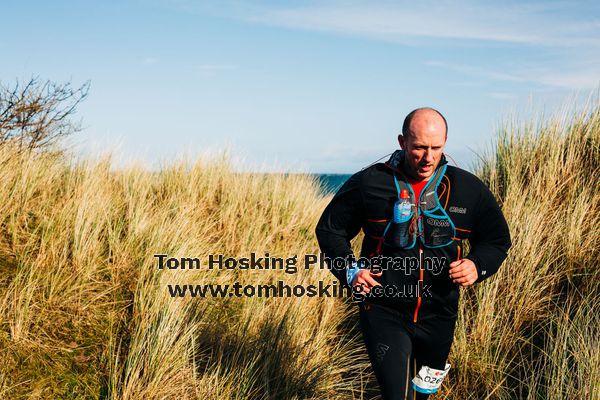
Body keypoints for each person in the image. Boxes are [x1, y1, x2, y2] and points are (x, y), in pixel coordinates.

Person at [315, 108, 511, 399]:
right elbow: (330, 231)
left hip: (440, 314)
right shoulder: (369, 183)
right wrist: (351, 271)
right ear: (402, 142)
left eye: (436, 147)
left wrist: (476, 264)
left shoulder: (468, 189)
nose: (428, 157)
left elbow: (496, 240)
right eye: (419, 147)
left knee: (422, 394)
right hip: (384, 310)